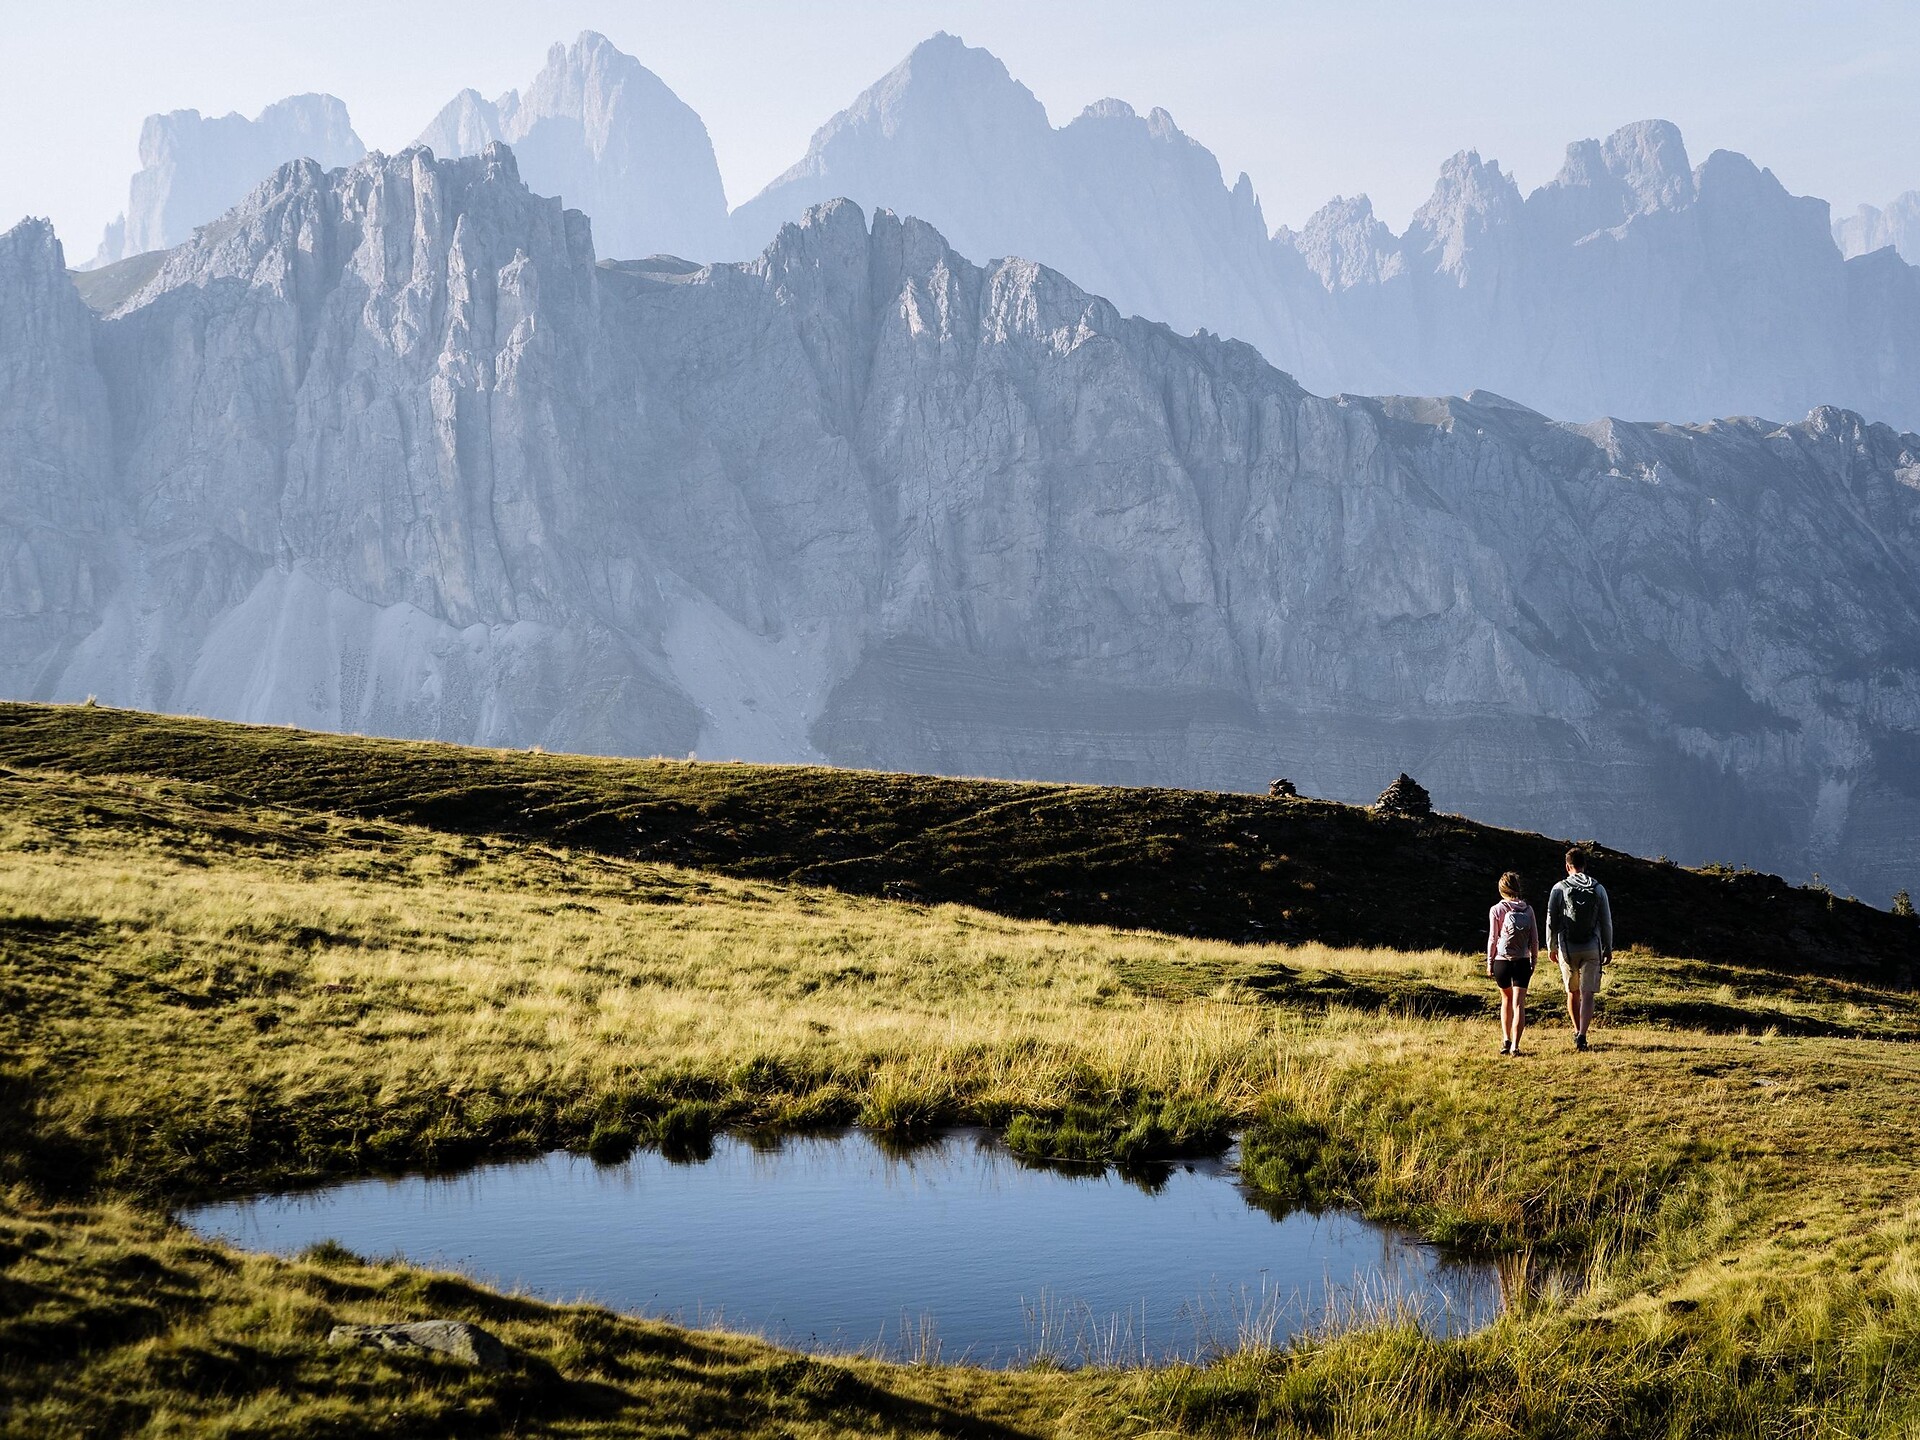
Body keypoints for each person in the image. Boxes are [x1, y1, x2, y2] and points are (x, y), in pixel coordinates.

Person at [1546, 846, 1613, 1051]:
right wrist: (1608, 947)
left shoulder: (1559, 887)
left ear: (1568, 866)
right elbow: (1606, 921)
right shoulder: (1598, 888)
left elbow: (1551, 919)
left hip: (1567, 946)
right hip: (1592, 946)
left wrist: (1551, 946)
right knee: (1588, 993)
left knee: (1572, 992)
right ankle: (1583, 1035)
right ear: (1585, 865)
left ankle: (1576, 1031)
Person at [1485, 871, 1538, 1055]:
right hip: (1522, 962)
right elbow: (1534, 939)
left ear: (1501, 890)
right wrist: (1534, 961)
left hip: (1502, 962)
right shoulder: (1528, 910)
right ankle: (1516, 1046)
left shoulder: (1496, 910)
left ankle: (1506, 1040)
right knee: (1519, 1004)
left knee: (1505, 1000)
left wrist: (1489, 962)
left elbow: (1493, 938)